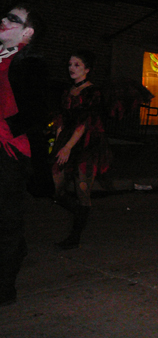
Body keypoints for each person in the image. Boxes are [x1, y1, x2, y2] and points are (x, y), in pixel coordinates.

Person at [0, 5, 49, 305]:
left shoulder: (32, 65)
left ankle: (5, 285)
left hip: (10, 153)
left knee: (6, 221)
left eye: (12, 19)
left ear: (27, 32)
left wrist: (4, 128)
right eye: (5, 16)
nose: (3, 20)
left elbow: (35, 114)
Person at [51, 50, 111, 250]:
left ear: (87, 69)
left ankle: (74, 236)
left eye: (76, 65)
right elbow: (61, 120)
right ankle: (80, 213)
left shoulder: (93, 92)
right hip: (68, 140)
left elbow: (85, 123)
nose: (71, 68)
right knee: (56, 186)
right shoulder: (67, 92)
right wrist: (57, 144)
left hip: (86, 144)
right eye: (70, 64)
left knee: (82, 189)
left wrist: (68, 147)